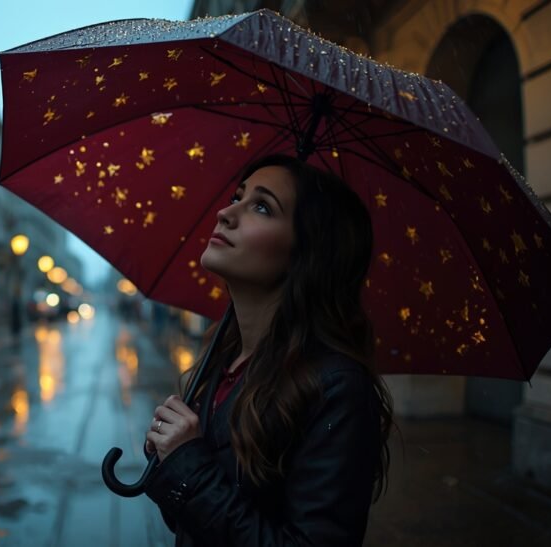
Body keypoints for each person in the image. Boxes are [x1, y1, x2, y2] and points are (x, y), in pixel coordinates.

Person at [143, 154, 394, 546]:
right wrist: (171, 458)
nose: (226, 213)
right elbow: (195, 526)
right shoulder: (221, 363)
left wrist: (189, 466)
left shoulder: (336, 387)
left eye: (262, 206)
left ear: (308, 251)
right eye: (237, 197)